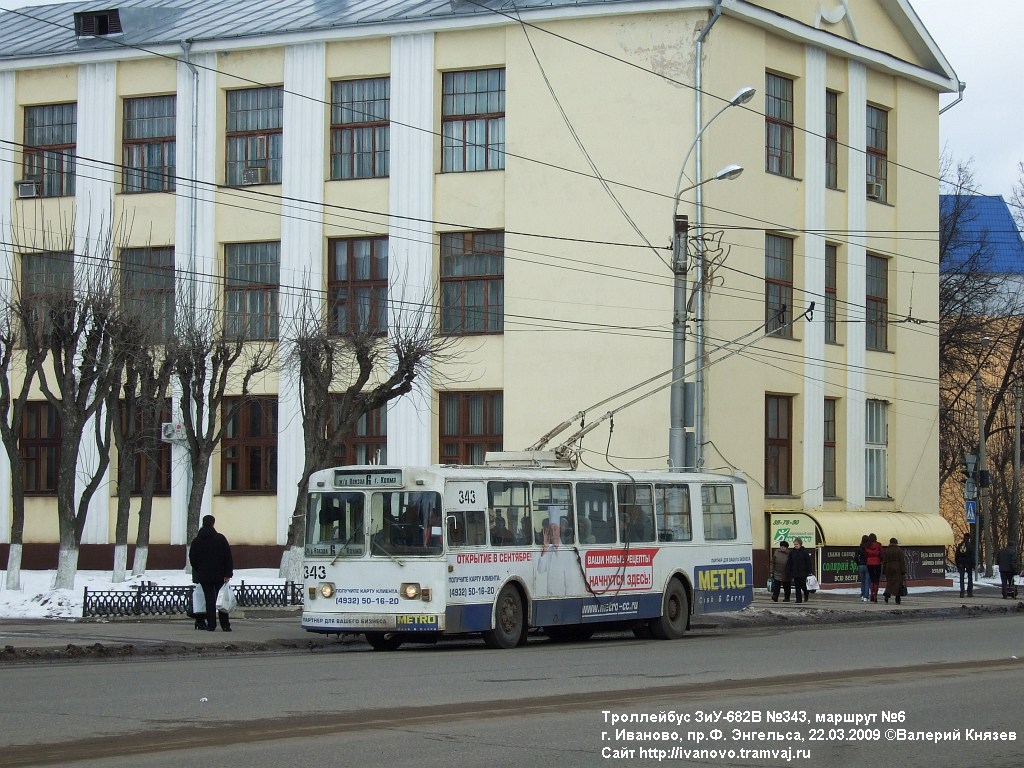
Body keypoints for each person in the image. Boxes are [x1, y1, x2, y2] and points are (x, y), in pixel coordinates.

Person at [189, 515, 234, 631]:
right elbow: (227, 557)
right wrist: (227, 573)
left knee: (209, 600)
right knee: (221, 600)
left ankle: (211, 625)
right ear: (213, 523)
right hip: (220, 575)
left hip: (204, 575)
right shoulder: (220, 539)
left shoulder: (197, 541)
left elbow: (192, 558)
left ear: (203, 523)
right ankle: (225, 625)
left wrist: (199, 569)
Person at [785, 537, 814, 604]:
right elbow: (789, 562)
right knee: (797, 586)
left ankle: (806, 593)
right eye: (795, 544)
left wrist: (810, 571)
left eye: (797, 544)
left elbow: (808, 562)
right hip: (795, 572)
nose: (795, 546)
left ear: (800, 544)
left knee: (803, 585)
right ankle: (798, 599)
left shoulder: (804, 552)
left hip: (803, 572)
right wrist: (788, 570)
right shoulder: (792, 552)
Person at [881, 537, 906, 605]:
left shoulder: (886, 551)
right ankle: (897, 598)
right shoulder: (899, 550)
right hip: (897, 568)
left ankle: (887, 594)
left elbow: (884, 561)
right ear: (896, 543)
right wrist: (903, 570)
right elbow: (902, 561)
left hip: (888, 568)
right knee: (898, 583)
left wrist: (884, 570)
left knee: (889, 583)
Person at [954, 532, 975, 598]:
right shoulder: (970, 546)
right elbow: (972, 556)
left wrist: (957, 564)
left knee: (961, 578)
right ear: (969, 538)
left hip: (961, 563)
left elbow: (956, 555)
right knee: (970, 578)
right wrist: (973, 565)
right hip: (968, 563)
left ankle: (962, 593)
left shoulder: (960, 546)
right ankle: (969, 592)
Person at [864, 532, 883, 603]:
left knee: (872, 579)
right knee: (876, 579)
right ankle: (875, 595)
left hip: (869, 563)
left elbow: (865, 554)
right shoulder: (878, 545)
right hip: (877, 563)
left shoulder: (867, 545)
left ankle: (872, 594)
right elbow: (882, 553)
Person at [855, 534, 870, 602]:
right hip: (867, 565)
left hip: (861, 565)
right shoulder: (868, 548)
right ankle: (866, 596)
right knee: (867, 581)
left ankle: (862, 595)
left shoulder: (859, 548)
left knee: (862, 581)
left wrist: (858, 563)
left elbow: (855, 558)